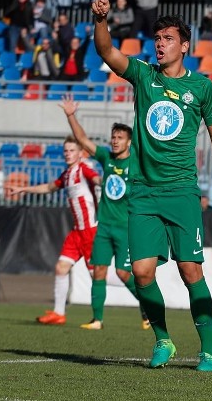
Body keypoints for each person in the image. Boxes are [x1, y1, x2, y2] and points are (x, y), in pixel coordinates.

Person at [91, 0, 212, 372]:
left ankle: (208, 351)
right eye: (157, 39)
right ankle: (164, 340)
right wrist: (101, 20)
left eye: (168, 39)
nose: (160, 45)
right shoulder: (143, 75)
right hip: (143, 193)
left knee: (191, 273)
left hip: (183, 192)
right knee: (140, 272)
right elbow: (107, 52)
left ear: (185, 45)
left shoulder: (201, 88)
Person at [58, 94, 150, 331]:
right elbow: (82, 139)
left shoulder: (136, 163)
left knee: (122, 272)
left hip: (125, 227)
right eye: (113, 137)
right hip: (104, 226)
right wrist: (70, 116)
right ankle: (97, 319)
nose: (115, 141)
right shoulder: (106, 158)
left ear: (129, 142)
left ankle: (147, 306)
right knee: (98, 271)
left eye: (120, 138)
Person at [5, 136, 101, 325]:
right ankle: (59, 313)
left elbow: (99, 180)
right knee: (61, 268)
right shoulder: (67, 174)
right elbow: (49, 187)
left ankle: (137, 287)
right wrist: (24, 189)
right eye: (65, 151)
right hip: (77, 233)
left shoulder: (84, 170)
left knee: (99, 275)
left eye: (71, 150)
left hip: (91, 231)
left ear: (81, 153)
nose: (67, 154)